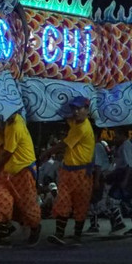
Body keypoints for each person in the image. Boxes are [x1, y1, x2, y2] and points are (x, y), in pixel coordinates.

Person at [0, 111, 42, 246]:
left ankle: (35, 227)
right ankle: (3, 236)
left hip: (22, 169)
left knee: (27, 203)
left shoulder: (16, 125)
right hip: (7, 169)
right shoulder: (5, 123)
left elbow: (7, 153)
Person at [46, 98, 96, 246]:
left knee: (80, 204)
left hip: (81, 172)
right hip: (68, 171)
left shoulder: (82, 128)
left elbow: (63, 145)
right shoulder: (76, 123)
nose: (76, 111)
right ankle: (60, 234)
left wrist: (46, 153)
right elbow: (67, 118)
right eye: (74, 108)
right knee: (63, 202)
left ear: (87, 110)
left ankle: (76, 236)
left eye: (79, 109)